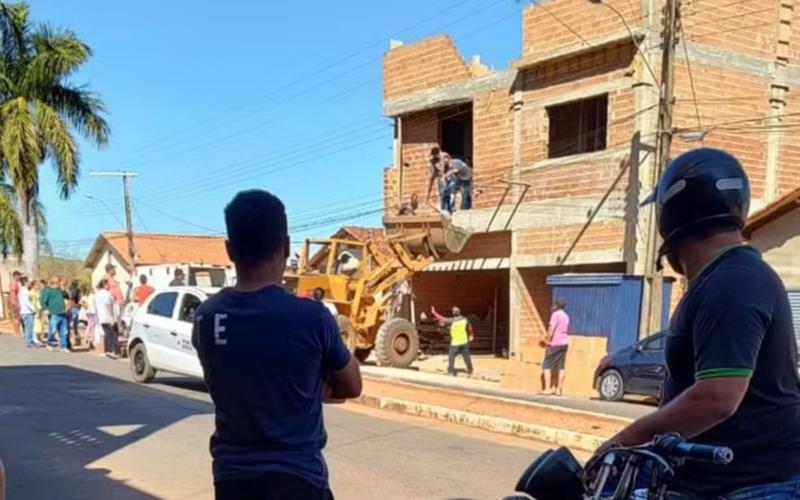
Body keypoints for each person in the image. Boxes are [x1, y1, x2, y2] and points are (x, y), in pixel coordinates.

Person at [594, 148, 800, 498]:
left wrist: (622, 442)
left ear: (671, 217)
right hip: (713, 481)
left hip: (752, 486)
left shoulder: (733, 281)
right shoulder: (724, 277)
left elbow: (717, 399)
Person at [192, 189, 362, 500]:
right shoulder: (313, 318)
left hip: (231, 483)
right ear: (285, 247)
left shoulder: (206, 318)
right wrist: (313, 384)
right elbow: (352, 385)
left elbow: (231, 382)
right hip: (298, 481)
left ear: (229, 250)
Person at [431, 305, 474, 377]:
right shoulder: (465, 319)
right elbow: (469, 326)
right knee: (466, 357)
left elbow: (442, 319)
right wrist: (471, 335)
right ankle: (470, 370)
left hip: (455, 343)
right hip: (464, 342)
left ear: (454, 313)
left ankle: (450, 371)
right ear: (460, 312)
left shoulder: (452, 321)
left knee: (451, 357)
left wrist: (434, 312)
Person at [541, 298, 569, 396]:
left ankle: (547, 388)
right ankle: (558, 389)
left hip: (555, 344)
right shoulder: (566, 316)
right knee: (561, 366)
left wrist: (547, 340)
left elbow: (551, 329)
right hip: (564, 343)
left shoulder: (555, 315)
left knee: (546, 365)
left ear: (556, 306)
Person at [41, 277, 69, 352]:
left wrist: (63, 290)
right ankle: (49, 343)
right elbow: (43, 300)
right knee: (53, 330)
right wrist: (45, 309)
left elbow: (67, 296)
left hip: (62, 312)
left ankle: (63, 346)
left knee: (64, 331)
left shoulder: (60, 291)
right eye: (59, 283)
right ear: (55, 283)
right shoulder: (48, 290)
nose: (60, 284)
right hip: (54, 313)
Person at [94, 279, 118, 359]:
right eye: (107, 284)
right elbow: (109, 304)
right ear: (105, 285)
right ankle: (110, 350)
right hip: (107, 315)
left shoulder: (97, 294)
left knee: (106, 333)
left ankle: (107, 350)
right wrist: (112, 317)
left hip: (101, 316)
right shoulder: (106, 294)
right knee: (111, 333)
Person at [426, 147, 453, 213]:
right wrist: (428, 194)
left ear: (438, 153)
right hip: (440, 178)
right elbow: (432, 175)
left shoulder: (445, 155)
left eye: (436, 155)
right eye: (434, 156)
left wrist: (446, 176)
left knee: (449, 195)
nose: (435, 157)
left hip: (449, 177)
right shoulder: (433, 161)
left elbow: (451, 167)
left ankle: (449, 210)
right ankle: (443, 211)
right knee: (442, 194)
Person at [18, 276, 37, 347]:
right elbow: (27, 302)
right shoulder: (24, 291)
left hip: (26, 311)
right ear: (25, 282)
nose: (30, 283)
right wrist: (33, 309)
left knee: (29, 327)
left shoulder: (23, 290)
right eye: (29, 282)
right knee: (29, 327)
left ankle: (30, 340)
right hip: (27, 312)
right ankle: (29, 342)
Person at [8, 270, 21, 335]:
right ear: (15, 276)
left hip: (15, 302)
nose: (19, 277)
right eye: (19, 275)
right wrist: (16, 302)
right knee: (17, 317)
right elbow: (13, 293)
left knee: (17, 317)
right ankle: (17, 332)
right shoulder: (14, 283)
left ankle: (17, 331)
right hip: (15, 302)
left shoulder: (16, 282)